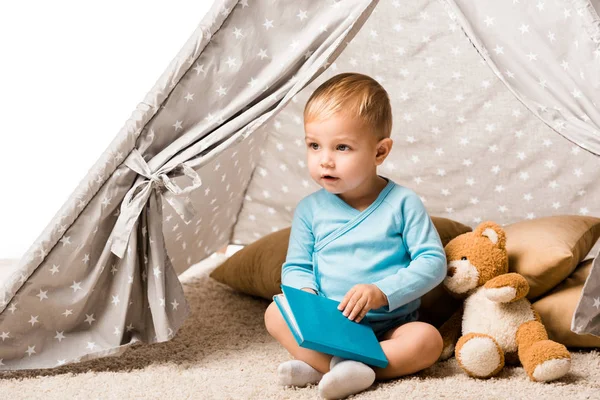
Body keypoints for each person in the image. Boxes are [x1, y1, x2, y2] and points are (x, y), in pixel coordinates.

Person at [264, 72, 447, 399]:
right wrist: (307, 296)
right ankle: (338, 364)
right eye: (314, 145)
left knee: (428, 340)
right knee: (276, 313)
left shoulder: (403, 203)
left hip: (391, 327)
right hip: (329, 326)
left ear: (380, 152)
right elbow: (296, 267)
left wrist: (381, 292)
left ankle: (329, 368)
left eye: (342, 147)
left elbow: (432, 262)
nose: (325, 160)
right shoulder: (310, 209)